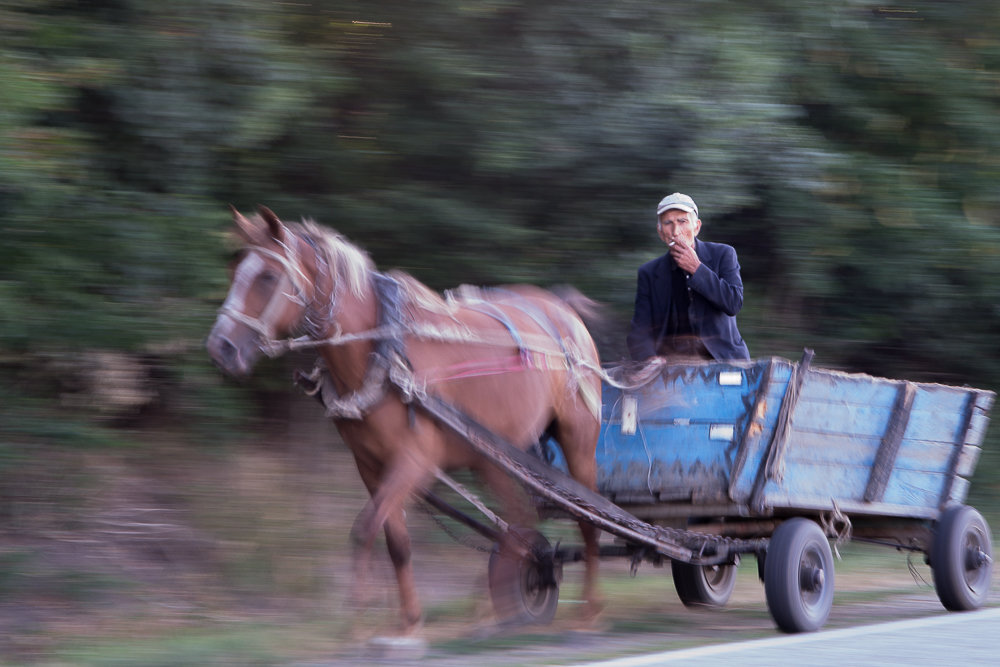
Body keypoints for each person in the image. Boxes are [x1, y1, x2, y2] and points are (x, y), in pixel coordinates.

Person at [627, 192, 750, 362]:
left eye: (682, 221)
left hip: (724, 362)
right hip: (671, 367)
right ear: (660, 232)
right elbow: (639, 331)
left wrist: (697, 268)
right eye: (668, 223)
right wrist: (648, 358)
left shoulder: (723, 254)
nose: (675, 231)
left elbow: (733, 303)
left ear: (697, 227)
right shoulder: (649, 273)